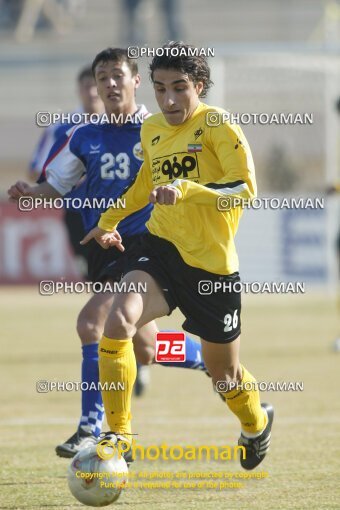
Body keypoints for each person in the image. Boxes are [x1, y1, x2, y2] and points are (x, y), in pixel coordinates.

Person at [82, 42, 274, 470]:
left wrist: (187, 190)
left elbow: (245, 189)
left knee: (223, 374)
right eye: (160, 88)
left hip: (211, 265)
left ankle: (256, 422)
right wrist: (109, 219)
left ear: (199, 86)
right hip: (159, 247)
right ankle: (119, 436)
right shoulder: (151, 129)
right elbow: (140, 185)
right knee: (118, 321)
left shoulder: (218, 125)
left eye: (180, 88)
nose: (168, 100)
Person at [8, 47, 206, 458]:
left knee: (90, 325)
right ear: (96, 86)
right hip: (104, 245)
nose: (111, 84)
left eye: (118, 75)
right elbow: (57, 184)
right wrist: (31, 192)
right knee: (144, 348)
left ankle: (90, 427)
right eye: (103, 78)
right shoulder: (85, 135)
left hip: (146, 245)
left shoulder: (158, 129)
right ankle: (210, 357)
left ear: (136, 82)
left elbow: (191, 177)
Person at [29, 65, 104, 277]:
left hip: (117, 211)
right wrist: (69, 177)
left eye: (95, 86)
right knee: (94, 279)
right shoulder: (60, 128)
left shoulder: (123, 125)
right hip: (77, 214)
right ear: (78, 90)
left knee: (123, 277)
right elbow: (35, 171)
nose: (91, 92)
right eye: (86, 86)